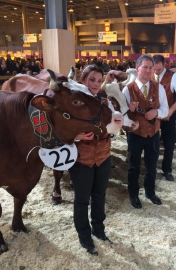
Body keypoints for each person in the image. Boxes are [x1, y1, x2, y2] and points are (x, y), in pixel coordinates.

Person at [68, 65, 113, 255]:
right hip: (81, 159)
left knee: (99, 195)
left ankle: (98, 229)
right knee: (81, 200)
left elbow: (113, 126)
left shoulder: (105, 102)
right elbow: (61, 128)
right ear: (83, 79)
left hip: (103, 156)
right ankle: (84, 235)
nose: (95, 84)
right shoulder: (73, 102)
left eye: (99, 80)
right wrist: (77, 136)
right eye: (92, 79)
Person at [122, 54, 169, 208]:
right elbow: (121, 115)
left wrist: (156, 113)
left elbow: (165, 109)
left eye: (150, 67)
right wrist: (129, 110)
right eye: (145, 67)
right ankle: (133, 194)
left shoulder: (159, 87)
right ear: (137, 69)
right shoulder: (127, 90)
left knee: (152, 164)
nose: (149, 70)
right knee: (134, 165)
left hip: (153, 133)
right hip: (135, 134)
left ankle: (150, 191)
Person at [153, 54, 176, 181]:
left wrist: (171, 111)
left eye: (158, 70)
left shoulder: (173, 77)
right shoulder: (149, 75)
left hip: (168, 116)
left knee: (169, 144)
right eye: (153, 69)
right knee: (152, 144)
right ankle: (151, 168)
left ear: (164, 65)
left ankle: (167, 169)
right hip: (153, 116)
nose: (156, 72)